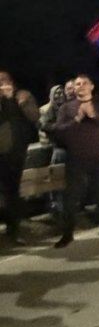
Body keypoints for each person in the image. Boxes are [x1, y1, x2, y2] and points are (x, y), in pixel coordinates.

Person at [50, 74, 99, 247]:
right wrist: (77, 119)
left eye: (84, 83)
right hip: (76, 158)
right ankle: (67, 233)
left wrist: (93, 115)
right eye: (78, 84)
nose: (81, 86)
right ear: (74, 88)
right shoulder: (66, 108)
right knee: (71, 196)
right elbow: (59, 132)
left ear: (91, 86)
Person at [0, 71, 39, 244]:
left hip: (14, 153)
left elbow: (34, 117)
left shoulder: (22, 96)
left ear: (11, 82)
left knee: (12, 192)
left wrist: (13, 100)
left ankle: (13, 231)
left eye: (3, 81)